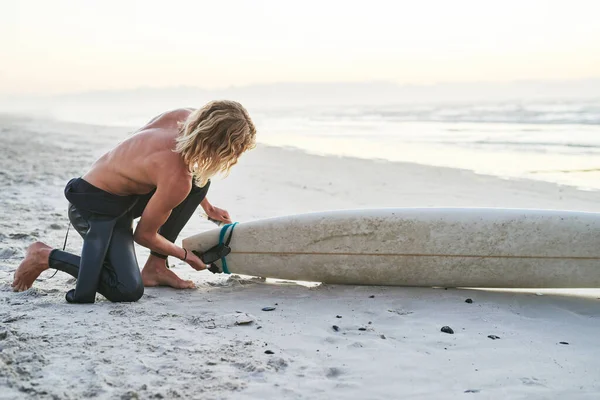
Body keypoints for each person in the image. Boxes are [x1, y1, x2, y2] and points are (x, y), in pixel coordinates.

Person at [11, 100, 256, 303]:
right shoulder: (176, 176)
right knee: (123, 290)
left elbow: (158, 166)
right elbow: (144, 235)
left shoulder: (182, 116)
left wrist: (207, 206)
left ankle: (155, 268)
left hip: (115, 193)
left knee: (200, 183)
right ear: (220, 147)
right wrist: (185, 255)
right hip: (92, 210)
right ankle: (43, 255)